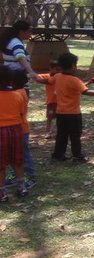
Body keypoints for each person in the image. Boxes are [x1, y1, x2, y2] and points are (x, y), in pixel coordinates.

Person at [51, 53, 94, 163]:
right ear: (73, 66)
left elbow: (49, 80)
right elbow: (86, 92)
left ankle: (58, 154)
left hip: (60, 113)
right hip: (73, 114)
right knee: (75, 136)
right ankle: (77, 156)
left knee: (61, 135)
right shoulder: (75, 80)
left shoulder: (57, 77)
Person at [0, 67, 28, 200]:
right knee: (18, 160)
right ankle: (21, 187)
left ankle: (1, 192)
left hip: (1, 130)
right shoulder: (18, 94)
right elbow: (22, 113)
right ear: (10, 80)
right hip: (16, 130)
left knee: (1, 164)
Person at [0, 20, 41, 96]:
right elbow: (20, 56)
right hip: (18, 81)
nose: (31, 34)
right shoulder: (16, 43)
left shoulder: (9, 41)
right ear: (21, 32)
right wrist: (31, 71)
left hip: (10, 78)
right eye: (29, 31)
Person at [35, 60, 62, 139]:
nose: (58, 71)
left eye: (60, 70)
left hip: (61, 101)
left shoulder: (60, 77)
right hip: (51, 101)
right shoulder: (47, 76)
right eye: (56, 69)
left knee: (60, 118)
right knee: (49, 117)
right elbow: (38, 78)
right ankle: (48, 131)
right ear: (50, 68)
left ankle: (59, 132)